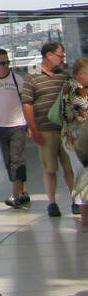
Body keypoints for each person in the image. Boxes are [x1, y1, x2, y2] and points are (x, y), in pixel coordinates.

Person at [22, 41, 77, 217]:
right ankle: (52, 202)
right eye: (60, 55)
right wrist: (33, 128)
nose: (62, 59)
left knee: (70, 167)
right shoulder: (32, 77)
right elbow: (27, 104)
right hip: (45, 129)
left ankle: (75, 199)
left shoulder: (64, 75)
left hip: (65, 129)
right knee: (49, 167)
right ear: (49, 55)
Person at [0, 48, 30, 208]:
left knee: (17, 160)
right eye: (2, 63)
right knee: (9, 161)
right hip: (2, 125)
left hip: (18, 124)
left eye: (7, 62)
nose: (6, 66)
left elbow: (25, 102)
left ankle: (15, 195)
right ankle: (23, 191)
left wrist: (29, 124)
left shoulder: (16, 79)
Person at [59, 57, 88, 230]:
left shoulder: (70, 85)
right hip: (78, 141)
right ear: (80, 73)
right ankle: (84, 218)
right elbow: (81, 116)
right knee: (82, 176)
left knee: (82, 176)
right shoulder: (76, 88)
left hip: (75, 139)